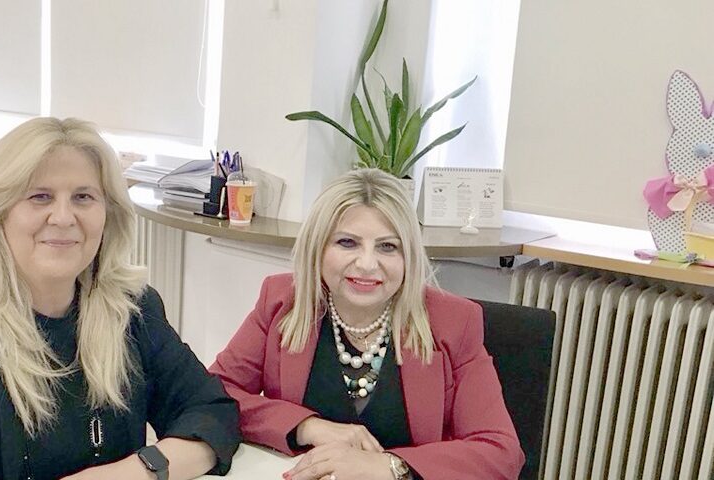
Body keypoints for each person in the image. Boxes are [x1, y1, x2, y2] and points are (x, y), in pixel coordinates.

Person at [0, 117, 240, 480]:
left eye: (83, 197)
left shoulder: (131, 310)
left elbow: (212, 412)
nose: (64, 217)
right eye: (40, 197)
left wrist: (132, 473)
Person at [209, 169, 523, 480]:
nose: (367, 264)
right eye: (347, 242)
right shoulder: (281, 302)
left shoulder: (453, 321)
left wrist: (390, 465)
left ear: (408, 257)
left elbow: (500, 451)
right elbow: (216, 393)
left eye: (388, 246)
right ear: (317, 247)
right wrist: (306, 427)